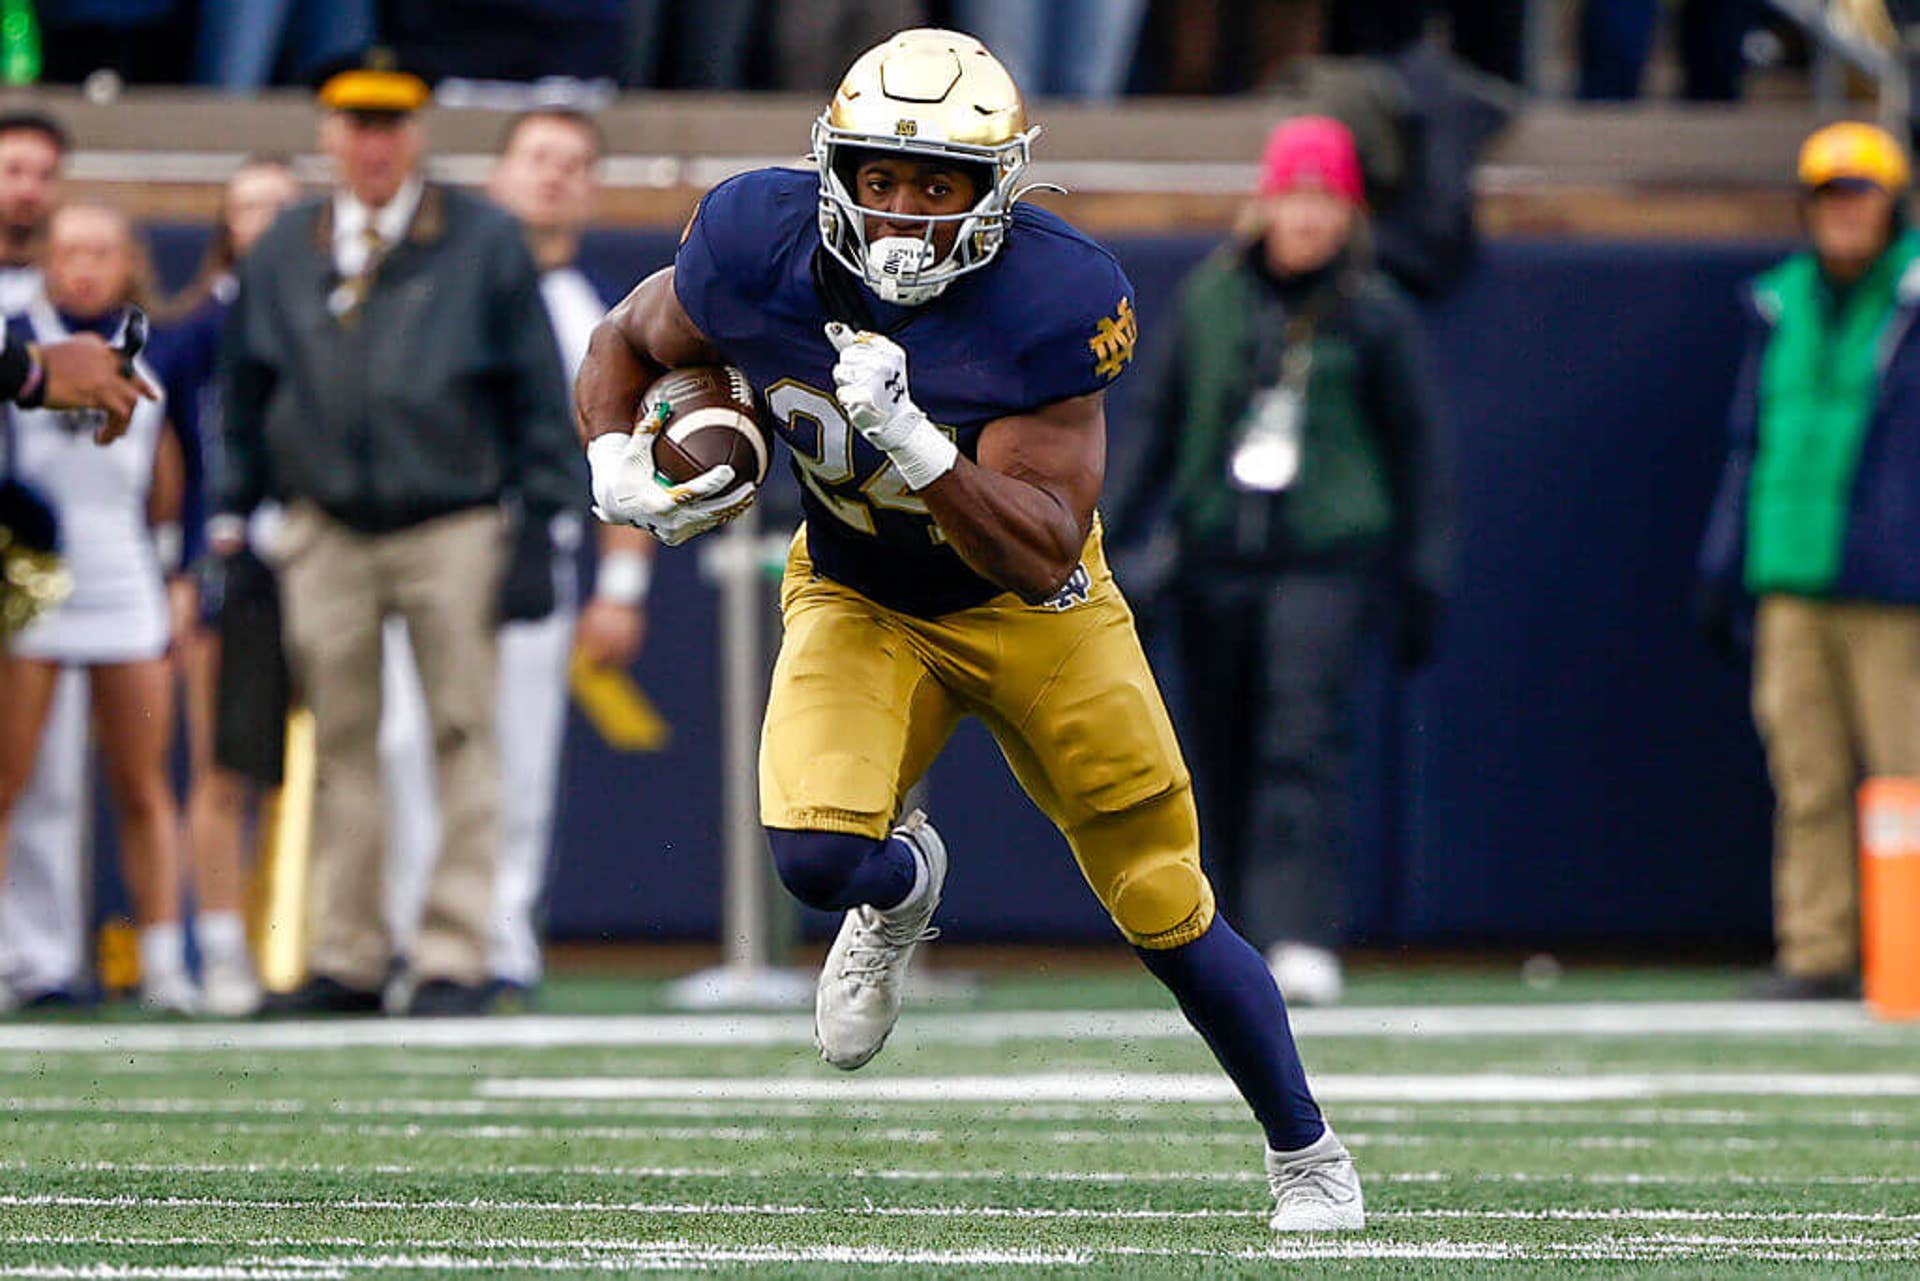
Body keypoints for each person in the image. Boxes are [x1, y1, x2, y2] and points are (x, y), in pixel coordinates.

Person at [575, 28, 1364, 1232]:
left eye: (936, 184)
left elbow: (1043, 542)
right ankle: (902, 888)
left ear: (996, 191)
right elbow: (626, 343)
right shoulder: (755, 242)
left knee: (1162, 899)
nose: (900, 213)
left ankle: (1306, 1151)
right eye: (879, 179)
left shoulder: (1058, 295)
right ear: (832, 167)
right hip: (858, 592)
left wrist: (922, 447)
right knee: (814, 856)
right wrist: (614, 460)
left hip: (1034, 612)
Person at [213, 58, 582, 1017]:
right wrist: (235, 513)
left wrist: (542, 519)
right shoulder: (288, 247)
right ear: (331, 137)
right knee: (340, 741)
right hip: (324, 522)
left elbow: (538, 392)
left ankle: (456, 952)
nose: (373, 144)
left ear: (415, 135)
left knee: (464, 730)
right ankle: (351, 952)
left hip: (453, 517)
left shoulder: (483, 239)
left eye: (390, 125)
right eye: (355, 125)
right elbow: (245, 388)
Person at [1106, 117, 1451, 1006]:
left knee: (1301, 739)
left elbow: (1418, 451)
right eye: (1293, 196)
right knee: (1216, 744)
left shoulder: (1375, 311)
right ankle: (1227, 932)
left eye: (1325, 200)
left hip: (1325, 557)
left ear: (1348, 213)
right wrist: (1104, 531)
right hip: (1217, 552)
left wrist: (1424, 570)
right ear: (1264, 202)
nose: (1306, 218)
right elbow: (1158, 421)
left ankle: (1297, 928)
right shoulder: (1210, 299)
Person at [381, 107, 648, 1004]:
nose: (553, 176)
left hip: (540, 546)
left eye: (574, 162)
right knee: (406, 741)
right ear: (496, 173)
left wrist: (620, 583)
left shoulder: (602, 318)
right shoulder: (432, 286)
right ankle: (416, 939)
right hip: (425, 539)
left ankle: (501, 945)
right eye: (536, 157)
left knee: (518, 754)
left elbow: (626, 460)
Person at [1698, 121, 1920, 1001]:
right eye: (1831, 195)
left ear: (1892, 202)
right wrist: (1727, 561)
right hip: (1791, 572)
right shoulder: (1778, 301)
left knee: (1904, 773)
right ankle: (1820, 948)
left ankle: (1905, 953)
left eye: (1862, 193)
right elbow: (1749, 443)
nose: (1846, 212)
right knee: (1807, 773)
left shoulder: (1909, 297)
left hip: (1897, 580)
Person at [0, 203, 190, 1014]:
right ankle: (19, 957)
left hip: (123, 572)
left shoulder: (156, 341)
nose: (82, 266)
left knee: (143, 784)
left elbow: (171, 466)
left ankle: (165, 961)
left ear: (128, 261)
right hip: (33, 574)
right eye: (68, 249)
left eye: (100, 250)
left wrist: (175, 565)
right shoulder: (18, 334)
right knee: (8, 781)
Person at [149, 156, 304, 1018]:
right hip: (231, 557)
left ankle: (360, 942)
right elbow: (164, 457)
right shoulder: (194, 331)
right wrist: (180, 562)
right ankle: (218, 947)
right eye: (251, 207)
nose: (267, 219)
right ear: (226, 225)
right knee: (225, 760)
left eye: (283, 204)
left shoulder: (339, 314)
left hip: (330, 548)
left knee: (361, 753)